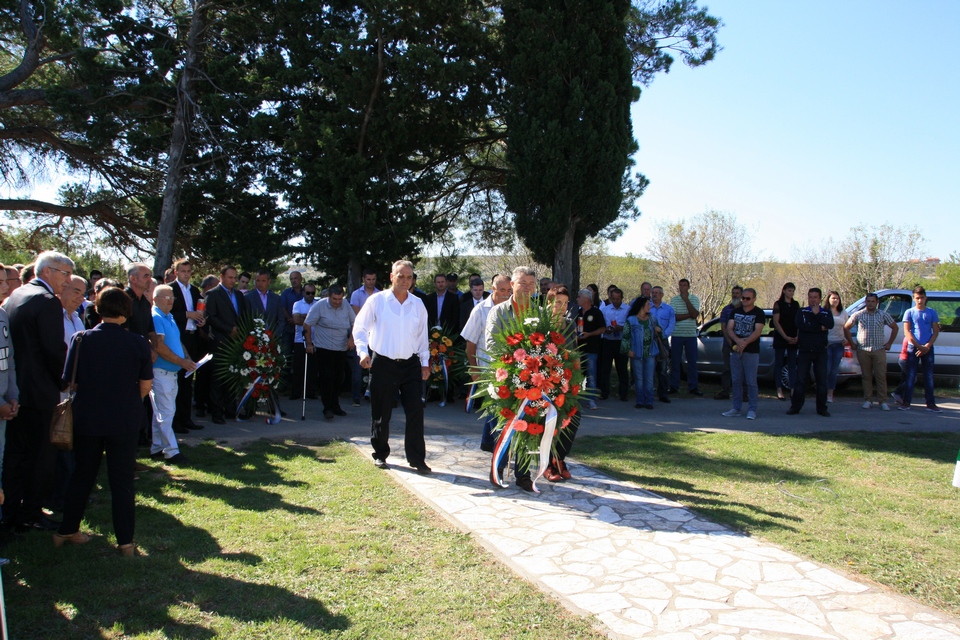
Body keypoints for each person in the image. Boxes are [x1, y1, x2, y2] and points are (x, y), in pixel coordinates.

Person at [55, 287, 153, 555]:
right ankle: (126, 543)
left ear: (98, 309)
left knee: (82, 475)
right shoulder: (137, 343)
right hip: (124, 418)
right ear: (126, 312)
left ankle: (66, 529)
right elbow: (145, 385)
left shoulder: (80, 339)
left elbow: (70, 381)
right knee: (122, 482)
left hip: (88, 417)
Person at [1, 250, 73, 532]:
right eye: (65, 274)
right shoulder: (46, 302)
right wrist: (62, 380)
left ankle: (11, 511)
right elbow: (54, 350)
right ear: (47, 272)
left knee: (16, 455)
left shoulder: (16, 296)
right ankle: (30, 512)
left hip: (17, 390)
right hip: (39, 390)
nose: (68, 281)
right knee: (40, 457)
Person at [353, 260, 431, 474]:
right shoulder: (377, 301)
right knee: (381, 411)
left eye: (409, 277)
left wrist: (425, 363)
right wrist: (362, 352)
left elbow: (422, 337)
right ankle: (380, 454)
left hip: (411, 365)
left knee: (415, 411)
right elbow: (359, 328)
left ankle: (417, 459)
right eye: (400, 276)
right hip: (383, 363)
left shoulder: (417, 304)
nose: (405, 281)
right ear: (391, 277)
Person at [484, 267, 539, 491]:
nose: (526, 288)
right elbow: (492, 345)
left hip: (534, 381)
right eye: (522, 283)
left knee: (528, 427)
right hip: (506, 379)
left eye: (531, 284)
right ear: (512, 285)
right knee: (504, 427)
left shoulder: (539, 311)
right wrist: (517, 363)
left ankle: (523, 474)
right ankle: (497, 468)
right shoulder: (498, 312)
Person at [461, 274, 512, 452]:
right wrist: (474, 369)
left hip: (509, 367)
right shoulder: (481, 310)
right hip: (487, 368)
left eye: (509, 290)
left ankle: (488, 442)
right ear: (493, 288)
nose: (506, 294)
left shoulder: (513, 309)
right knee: (494, 404)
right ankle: (493, 444)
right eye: (502, 290)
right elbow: (470, 343)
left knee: (497, 406)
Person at [150, 285, 196, 464]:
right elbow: (159, 346)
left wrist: (187, 358)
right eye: (165, 297)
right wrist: (181, 362)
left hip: (170, 372)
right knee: (166, 413)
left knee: (161, 412)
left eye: (172, 297)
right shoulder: (156, 317)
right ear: (155, 299)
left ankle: (157, 447)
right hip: (161, 371)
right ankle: (171, 451)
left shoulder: (168, 316)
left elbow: (176, 341)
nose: (170, 300)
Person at [304, 284, 356, 420]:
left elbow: (355, 323)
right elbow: (307, 324)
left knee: (339, 377)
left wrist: (352, 338)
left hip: (341, 348)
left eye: (340, 299)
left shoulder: (345, 305)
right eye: (334, 299)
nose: (338, 302)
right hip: (324, 347)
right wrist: (309, 343)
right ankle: (327, 408)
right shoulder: (319, 306)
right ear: (329, 296)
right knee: (327, 377)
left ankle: (335, 405)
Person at [204, 265, 249, 424]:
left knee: (233, 375)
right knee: (218, 378)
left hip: (236, 343)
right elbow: (210, 317)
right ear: (221, 277)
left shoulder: (238, 295)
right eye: (229, 277)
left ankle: (231, 410)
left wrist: (242, 332)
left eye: (234, 277)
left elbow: (243, 315)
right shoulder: (213, 294)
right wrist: (229, 329)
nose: (232, 281)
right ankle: (217, 412)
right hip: (220, 341)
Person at [543, 284, 578, 483]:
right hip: (546, 381)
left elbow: (575, 352)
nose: (562, 307)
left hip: (567, 379)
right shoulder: (541, 323)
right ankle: (547, 464)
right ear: (549, 302)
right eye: (558, 302)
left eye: (565, 303)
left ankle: (560, 460)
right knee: (549, 422)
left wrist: (577, 378)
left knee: (573, 418)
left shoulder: (569, 324)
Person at [843, 292, 897, 410]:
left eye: (873, 301)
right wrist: (852, 343)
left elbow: (895, 327)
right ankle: (868, 400)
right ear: (865, 302)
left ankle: (883, 401)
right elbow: (846, 327)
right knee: (866, 376)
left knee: (881, 375)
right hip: (863, 349)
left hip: (879, 349)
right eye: (868, 301)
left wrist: (889, 343)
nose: (870, 303)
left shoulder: (883, 315)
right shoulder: (859, 314)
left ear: (877, 302)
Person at [170, 258, 205, 431]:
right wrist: (186, 314)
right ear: (176, 272)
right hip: (177, 337)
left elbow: (199, 311)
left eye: (189, 271)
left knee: (188, 379)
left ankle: (186, 418)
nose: (186, 274)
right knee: (177, 380)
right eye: (183, 271)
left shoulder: (195, 290)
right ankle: (175, 421)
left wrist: (201, 320)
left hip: (192, 337)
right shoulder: (170, 289)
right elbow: (167, 314)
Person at [787, 288, 834, 417]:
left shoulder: (825, 312)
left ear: (819, 299)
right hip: (804, 350)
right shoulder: (802, 312)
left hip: (820, 351)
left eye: (815, 297)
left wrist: (817, 314)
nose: (813, 300)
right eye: (810, 297)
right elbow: (801, 326)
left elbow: (829, 325)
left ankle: (822, 408)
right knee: (800, 380)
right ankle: (795, 406)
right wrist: (819, 327)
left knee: (821, 381)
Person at [722, 288, 765, 420]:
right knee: (736, 380)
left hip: (751, 351)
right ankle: (736, 407)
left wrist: (744, 343)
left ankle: (752, 409)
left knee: (751, 382)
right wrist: (737, 341)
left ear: (754, 299)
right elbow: (729, 328)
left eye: (748, 298)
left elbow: (757, 332)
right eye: (743, 298)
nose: (745, 301)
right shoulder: (735, 312)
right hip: (736, 351)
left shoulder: (759, 313)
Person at [0, 265, 20, 537]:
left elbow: (9, 360)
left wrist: (12, 395)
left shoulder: (3, 315)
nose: (5, 287)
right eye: (0, 282)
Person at [901, 286, 941, 412]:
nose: (920, 300)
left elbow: (935, 331)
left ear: (925, 298)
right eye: (917, 298)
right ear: (914, 298)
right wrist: (919, 347)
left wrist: (927, 347)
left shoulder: (931, 312)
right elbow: (907, 332)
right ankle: (906, 402)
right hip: (913, 348)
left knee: (928, 376)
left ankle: (930, 403)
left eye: (922, 298)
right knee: (911, 376)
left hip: (928, 348)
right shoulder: (909, 312)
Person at [621, 295, 659, 410]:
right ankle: (640, 400)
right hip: (636, 352)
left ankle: (649, 401)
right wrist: (627, 350)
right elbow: (626, 336)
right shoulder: (631, 320)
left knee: (649, 378)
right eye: (648, 304)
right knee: (639, 378)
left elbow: (659, 333)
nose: (650, 306)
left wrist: (659, 330)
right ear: (641, 306)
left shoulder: (652, 318)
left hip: (650, 352)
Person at [349, 269, 380, 405]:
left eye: (373, 279)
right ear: (363, 279)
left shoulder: (380, 295)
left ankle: (372, 393)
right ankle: (356, 396)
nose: (371, 282)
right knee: (358, 367)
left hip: (375, 334)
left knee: (375, 366)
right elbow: (358, 316)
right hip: (361, 333)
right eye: (368, 279)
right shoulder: (356, 294)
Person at [669, 278, 702, 396]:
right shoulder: (674, 300)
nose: (682, 287)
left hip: (690, 335)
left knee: (692, 362)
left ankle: (693, 387)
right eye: (681, 285)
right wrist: (689, 315)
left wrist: (686, 300)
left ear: (688, 287)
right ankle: (674, 386)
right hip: (677, 334)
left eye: (685, 285)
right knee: (675, 361)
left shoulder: (694, 299)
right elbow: (674, 317)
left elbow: (695, 314)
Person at [576, 288, 605, 410]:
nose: (577, 299)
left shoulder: (596, 312)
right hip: (578, 349)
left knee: (591, 375)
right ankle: (575, 400)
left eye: (579, 297)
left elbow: (603, 329)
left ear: (586, 299)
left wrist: (590, 334)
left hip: (591, 348)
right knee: (577, 375)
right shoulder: (577, 313)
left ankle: (591, 400)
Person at [598, 287, 629, 402]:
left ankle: (624, 393)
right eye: (613, 299)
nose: (615, 301)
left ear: (621, 298)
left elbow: (629, 325)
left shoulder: (627, 309)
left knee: (622, 368)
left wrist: (620, 328)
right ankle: (604, 392)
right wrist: (607, 329)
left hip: (621, 341)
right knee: (605, 368)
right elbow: (601, 325)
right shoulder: (605, 310)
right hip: (608, 340)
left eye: (618, 299)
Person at [290, 284, 320, 400]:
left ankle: (311, 392)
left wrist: (305, 317)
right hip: (299, 339)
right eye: (308, 293)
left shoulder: (317, 305)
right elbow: (296, 320)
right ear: (303, 293)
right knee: (298, 367)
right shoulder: (297, 304)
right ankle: (296, 392)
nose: (310, 295)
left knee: (313, 368)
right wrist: (310, 318)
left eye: (312, 293)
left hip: (315, 340)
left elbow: (319, 320)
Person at [772, 282, 799, 401]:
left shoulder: (796, 304)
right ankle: (779, 389)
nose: (791, 293)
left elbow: (798, 321)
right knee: (779, 364)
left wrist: (797, 336)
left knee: (792, 365)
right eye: (789, 290)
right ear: (784, 291)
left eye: (793, 291)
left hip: (793, 337)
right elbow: (776, 322)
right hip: (781, 337)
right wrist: (785, 336)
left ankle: (793, 389)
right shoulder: (778, 304)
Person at [715, 285, 743, 400]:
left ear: (741, 295)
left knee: (742, 369)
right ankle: (725, 391)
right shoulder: (726, 309)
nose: (735, 295)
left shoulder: (745, 309)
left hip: (742, 344)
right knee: (727, 369)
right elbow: (723, 326)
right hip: (728, 344)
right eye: (733, 293)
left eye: (737, 293)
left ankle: (743, 393)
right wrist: (730, 341)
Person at [649, 285, 675, 403]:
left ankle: (663, 394)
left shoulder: (668, 309)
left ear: (662, 295)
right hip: (649, 340)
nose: (654, 295)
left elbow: (671, 325)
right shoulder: (647, 308)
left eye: (657, 293)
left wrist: (663, 335)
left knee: (663, 369)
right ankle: (649, 393)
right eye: (653, 293)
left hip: (662, 341)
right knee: (650, 368)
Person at [824, 291, 849, 404]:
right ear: (828, 299)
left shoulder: (843, 312)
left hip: (839, 344)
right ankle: (822, 392)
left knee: (834, 371)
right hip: (827, 345)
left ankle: (830, 394)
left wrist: (847, 339)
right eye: (833, 298)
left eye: (837, 298)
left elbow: (847, 327)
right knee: (826, 370)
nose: (835, 300)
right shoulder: (824, 312)